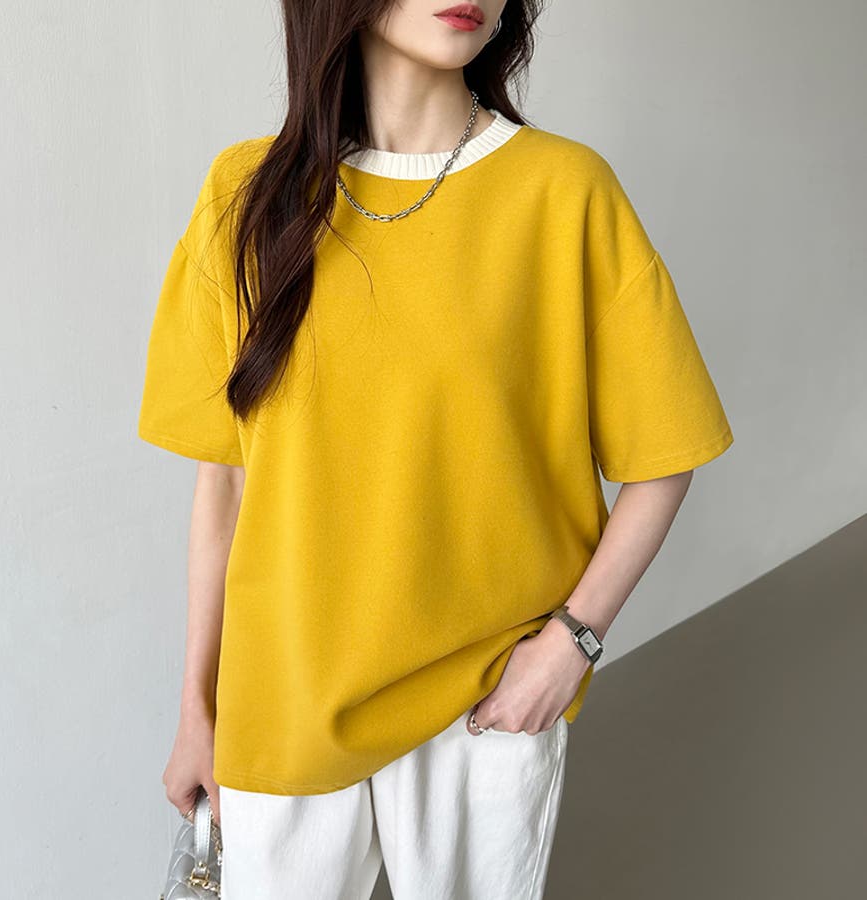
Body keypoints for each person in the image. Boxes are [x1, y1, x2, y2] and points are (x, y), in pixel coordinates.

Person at [137, 1, 734, 897]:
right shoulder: (245, 195)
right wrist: (197, 708)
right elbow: (224, 480)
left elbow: (664, 456)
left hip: (484, 700)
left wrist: (570, 646)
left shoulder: (563, 191)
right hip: (283, 698)